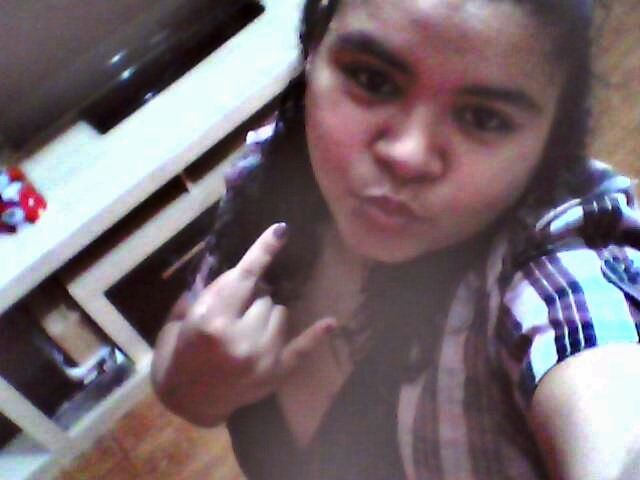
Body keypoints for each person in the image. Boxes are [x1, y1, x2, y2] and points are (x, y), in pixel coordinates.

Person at [151, 0, 640, 478]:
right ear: (313, 52)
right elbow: (185, 329)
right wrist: (189, 384)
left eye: (484, 118)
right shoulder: (270, 172)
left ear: (550, 140)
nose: (408, 155)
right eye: (372, 79)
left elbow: (609, 400)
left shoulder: (551, 262)